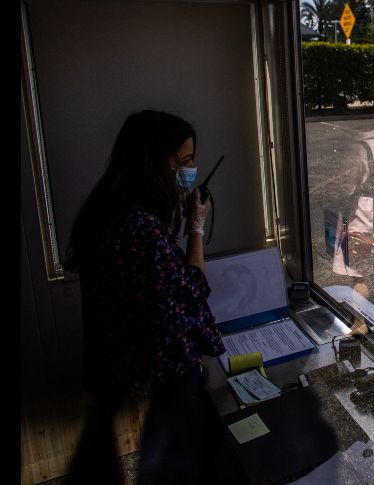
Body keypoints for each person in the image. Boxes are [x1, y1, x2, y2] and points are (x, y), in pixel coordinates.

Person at [63, 110, 226, 484]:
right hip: (159, 375)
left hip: (121, 368)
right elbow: (192, 291)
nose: (192, 170)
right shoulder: (139, 228)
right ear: (155, 164)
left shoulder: (108, 211)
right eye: (184, 162)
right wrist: (196, 228)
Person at [330, 129, 374, 300]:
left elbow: (348, 187)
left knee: (358, 273)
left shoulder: (357, 150)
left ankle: (359, 322)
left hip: (359, 211)